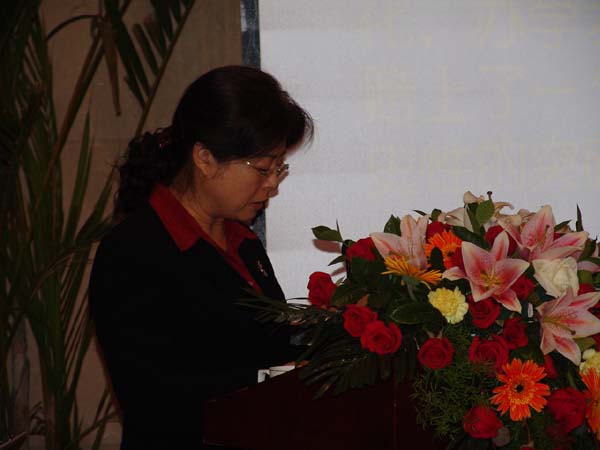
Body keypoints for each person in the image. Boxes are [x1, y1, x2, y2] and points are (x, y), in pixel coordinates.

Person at [88, 65, 313, 449]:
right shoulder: (134, 251)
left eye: (279, 168)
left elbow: (270, 345)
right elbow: (154, 398)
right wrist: (271, 380)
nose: (273, 184)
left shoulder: (244, 243)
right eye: (263, 169)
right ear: (205, 158)